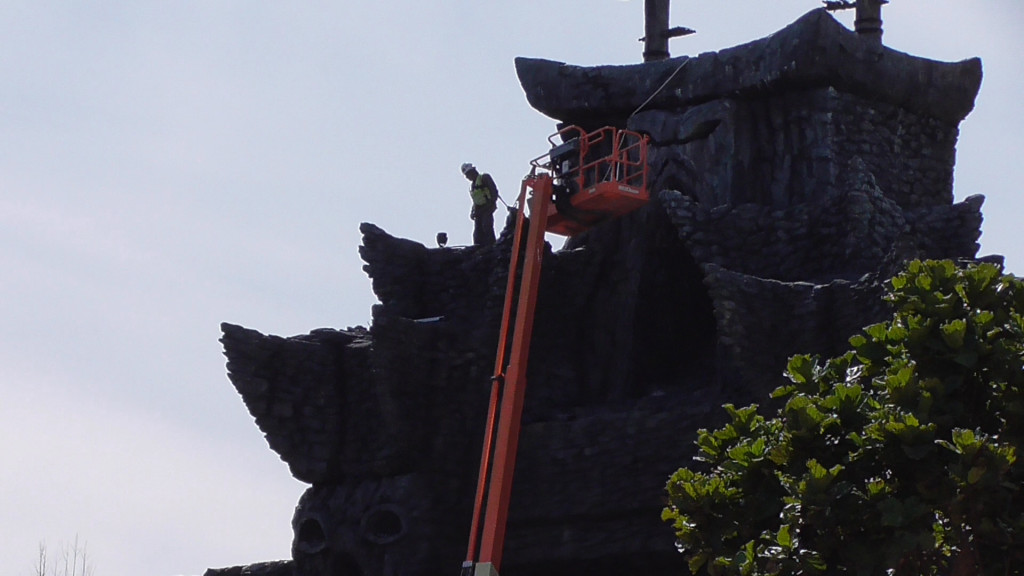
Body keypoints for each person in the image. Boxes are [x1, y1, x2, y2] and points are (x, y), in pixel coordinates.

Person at [461, 163, 498, 246]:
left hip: (487, 207)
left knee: (487, 227)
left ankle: (492, 246)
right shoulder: (473, 185)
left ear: (473, 171)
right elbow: (475, 201)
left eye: (468, 174)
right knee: (477, 233)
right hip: (479, 210)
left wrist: (492, 203)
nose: (467, 177)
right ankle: (479, 249)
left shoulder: (484, 178)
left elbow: (493, 191)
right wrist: (473, 212)